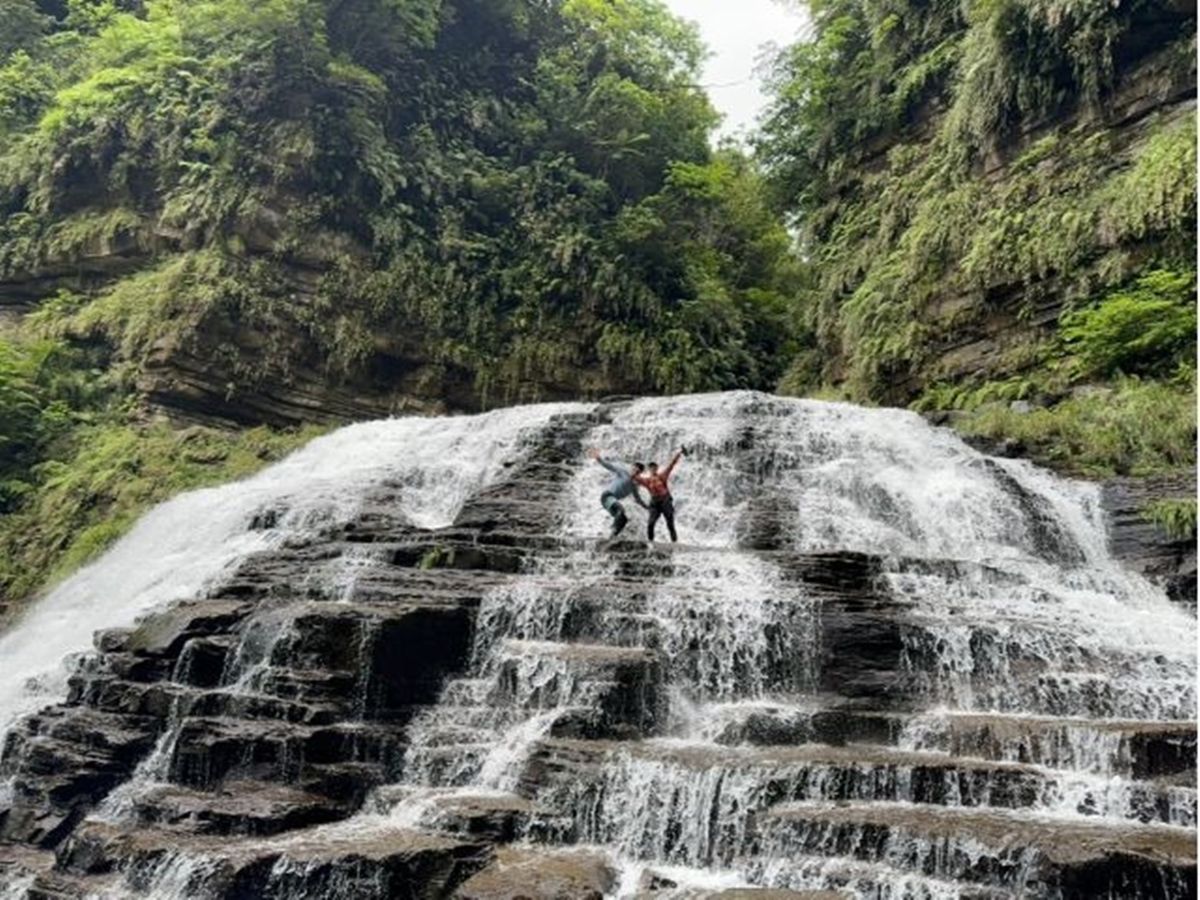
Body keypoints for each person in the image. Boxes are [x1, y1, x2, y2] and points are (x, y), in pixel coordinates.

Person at [588, 448, 649, 539]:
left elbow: (638, 500)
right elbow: (609, 466)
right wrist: (598, 458)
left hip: (611, 501)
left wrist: (649, 508)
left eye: (638, 471)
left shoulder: (634, 486)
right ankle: (612, 532)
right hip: (607, 496)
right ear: (632, 467)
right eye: (634, 469)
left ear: (639, 474)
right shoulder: (623, 472)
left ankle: (611, 537)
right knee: (621, 509)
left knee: (623, 519)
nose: (635, 471)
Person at [635, 448, 686, 543]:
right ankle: (651, 543)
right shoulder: (647, 481)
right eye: (651, 468)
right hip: (654, 503)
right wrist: (635, 470)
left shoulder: (662, 476)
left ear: (657, 468)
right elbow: (635, 477)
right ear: (649, 470)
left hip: (665, 501)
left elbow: (671, 465)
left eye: (654, 467)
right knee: (650, 523)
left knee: (670, 524)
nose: (652, 469)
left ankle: (674, 542)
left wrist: (679, 453)